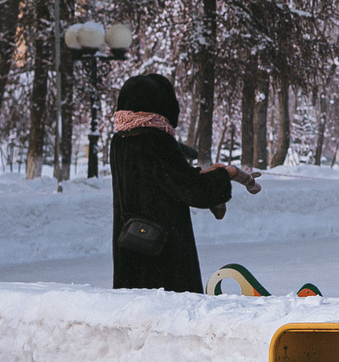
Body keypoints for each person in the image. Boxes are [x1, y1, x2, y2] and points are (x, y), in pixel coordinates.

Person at [108, 72, 253, 293]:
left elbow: (165, 180)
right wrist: (227, 174)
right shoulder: (156, 140)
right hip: (162, 255)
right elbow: (192, 190)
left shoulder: (121, 140)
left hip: (132, 247)